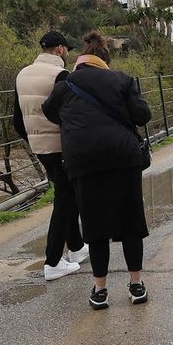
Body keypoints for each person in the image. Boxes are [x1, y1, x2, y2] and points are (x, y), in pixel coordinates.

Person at [43, 30, 152, 310]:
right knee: (130, 222)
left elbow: (50, 112)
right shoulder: (122, 80)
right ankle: (136, 284)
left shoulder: (65, 87)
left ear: (80, 59)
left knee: (95, 226)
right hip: (123, 157)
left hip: (83, 162)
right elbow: (142, 116)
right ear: (105, 60)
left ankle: (100, 290)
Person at [13, 30, 87, 281]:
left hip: (39, 147)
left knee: (67, 195)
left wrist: (34, 139)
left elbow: (17, 119)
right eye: (67, 50)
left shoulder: (22, 74)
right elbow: (70, 115)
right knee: (65, 202)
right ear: (60, 50)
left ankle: (76, 249)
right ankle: (53, 262)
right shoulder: (61, 75)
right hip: (61, 145)